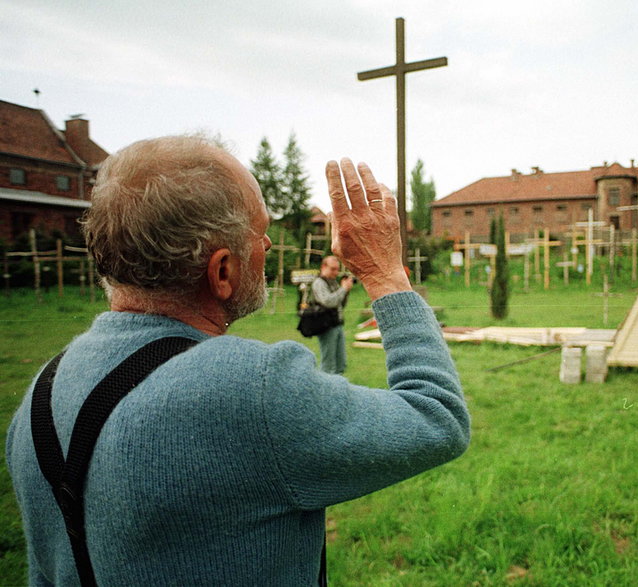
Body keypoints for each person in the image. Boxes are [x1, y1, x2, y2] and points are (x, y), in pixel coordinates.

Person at [5, 136, 469, 586]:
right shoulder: (253, 389)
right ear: (222, 270)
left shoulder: (39, 398)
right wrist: (385, 273)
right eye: (261, 233)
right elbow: (436, 417)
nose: (267, 247)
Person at [310, 255, 353, 374]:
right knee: (328, 365)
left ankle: (338, 389)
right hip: (326, 326)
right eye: (333, 269)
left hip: (337, 324)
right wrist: (343, 289)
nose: (336, 272)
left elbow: (340, 304)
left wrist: (346, 291)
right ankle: (325, 391)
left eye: (337, 269)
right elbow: (328, 302)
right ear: (324, 267)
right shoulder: (319, 283)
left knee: (341, 364)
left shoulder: (333, 282)